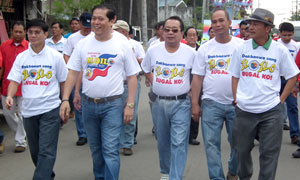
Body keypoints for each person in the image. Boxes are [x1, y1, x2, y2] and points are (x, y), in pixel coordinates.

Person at [60, 4, 140, 180]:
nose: (96, 22)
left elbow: (132, 76)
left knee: (110, 149)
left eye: (100, 19)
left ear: (111, 21)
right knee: (96, 149)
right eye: (94, 18)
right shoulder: (83, 44)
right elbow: (73, 72)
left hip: (113, 104)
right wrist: (66, 98)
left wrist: (130, 105)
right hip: (89, 105)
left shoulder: (122, 44)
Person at [228, 8, 299, 180]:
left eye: (255, 24)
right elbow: (235, 76)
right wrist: (237, 99)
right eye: (250, 24)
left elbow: (292, 77)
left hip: (270, 112)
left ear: (267, 28)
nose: (250, 27)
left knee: (269, 153)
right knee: (242, 151)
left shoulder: (279, 50)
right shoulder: (241, 48)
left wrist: (280, 101)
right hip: (244, 111)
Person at [5, 19, 68, 180]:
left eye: (37, 32)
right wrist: (10, 96)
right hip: (29, 111)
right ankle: (47, 175)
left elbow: (63, 81)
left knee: (46, 150)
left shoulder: (55, 57)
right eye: (31, 32)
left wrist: (65, 102)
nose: (33, 35)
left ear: (45, 34)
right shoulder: (22, 58)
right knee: (35, 151)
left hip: (50, 109)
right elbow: (14, 80)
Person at [191, 8, 243, 180]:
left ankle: (233, 171)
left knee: (238, 144)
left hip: (237, 104)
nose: (218, 24)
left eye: (221, 20)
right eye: (214, 21)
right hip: (211, 103)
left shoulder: (241, 46)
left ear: (229, 23)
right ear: (211, 26)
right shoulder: (205, 49)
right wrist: (195, 104)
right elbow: (197, 78)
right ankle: (216, 177)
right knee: (211, 145)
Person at [141, 16, 195, 180]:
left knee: (179, 142)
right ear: (162, 31)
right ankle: (165, 172)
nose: (170, 33)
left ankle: (175, 177)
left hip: (181, 103)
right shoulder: (153, 50)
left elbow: (197, 76)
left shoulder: (190, 53)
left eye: (175, 30)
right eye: (167, 29)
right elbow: (145, 68)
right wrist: (153, 80)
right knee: (162, 140)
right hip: (158, 103)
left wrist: (193, 98)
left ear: (181, 33)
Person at [113, 20, 144, 156]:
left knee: (130, 114)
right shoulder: (110, 44)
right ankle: (114, 142)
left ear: (124, 32)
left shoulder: (135, 45)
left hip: (129, 84)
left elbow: (144, 61)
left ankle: (127, 144)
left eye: (116, 30)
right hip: (114, 84)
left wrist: (131, 56)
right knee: (113, 115)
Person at [63, 12, 92, 146]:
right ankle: (82, 134)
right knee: (79, 105)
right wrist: (73, 68)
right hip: (76, 76)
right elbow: (66, 55)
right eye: (84, 26)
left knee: (91, 106)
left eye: (89, 26)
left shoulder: (95, 37)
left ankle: (93, 133)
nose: (87, 29)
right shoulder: (73, 39)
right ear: (79, 24)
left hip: (91, 76)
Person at [0, 21, 28, 153]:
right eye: (15, 31)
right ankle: (21, 133)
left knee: (23, 115)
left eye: (20, 32)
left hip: (25, 87)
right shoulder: (4, 46)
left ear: (25, 32)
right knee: (8, 114)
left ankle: (20, 141)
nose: (17, 34)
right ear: (11, 31)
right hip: (7, 86)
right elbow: (2, 66)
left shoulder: (29, 47)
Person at [277, 22, 300, 144]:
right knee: (272, 107)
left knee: (293, 107)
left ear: (293, 34)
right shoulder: (275, 45)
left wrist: (296, 82)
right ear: (279, 33)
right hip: (276, 79)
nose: (286, 38)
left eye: (289, 35)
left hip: (290, 80)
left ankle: (295, 134)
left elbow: (297, 65)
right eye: (284, 35)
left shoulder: (296, 46)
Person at [184, 26, 200, 146]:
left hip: (197, 84)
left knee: (195, 109)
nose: (192, 37)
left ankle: (193, 136)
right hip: (183, 84)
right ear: (185, 37)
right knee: (184, 110)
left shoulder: (201, 51)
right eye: (189, 35)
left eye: (194, 35)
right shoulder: (181, 50)